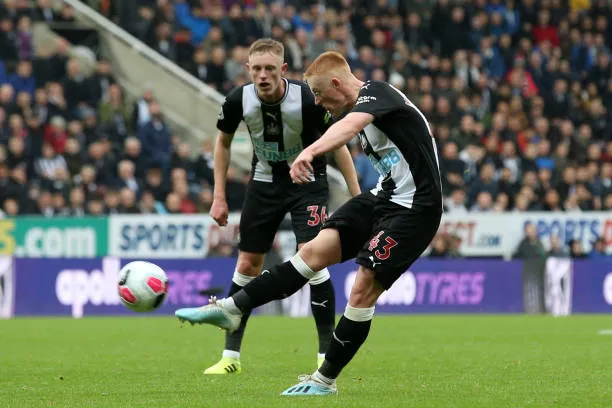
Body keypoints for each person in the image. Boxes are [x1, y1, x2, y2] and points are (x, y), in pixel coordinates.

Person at [176, 50, 442, 395]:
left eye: (318, 94)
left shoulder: (379, 93)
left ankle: (324, 380)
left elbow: (350, 127)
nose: (317, 102)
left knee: (363, 286)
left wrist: (310, 151)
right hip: (383, 198)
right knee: (313, 252)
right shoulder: (358, 109)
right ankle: (233, 308)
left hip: (415, 210)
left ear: (335, 83)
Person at [200, 39, 361, 375]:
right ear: (248, 69)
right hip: (263, 184)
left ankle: (323, 358)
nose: (262, 75)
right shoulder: (236, 101)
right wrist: (219, 195)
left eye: (270, 68)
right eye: (256, 68)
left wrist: (355, 192)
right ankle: (230, 358)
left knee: (312, 256)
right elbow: (222, 143)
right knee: (248, 262)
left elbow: (339, 145)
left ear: (283, 70)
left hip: (307, 184)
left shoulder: (306, 97)